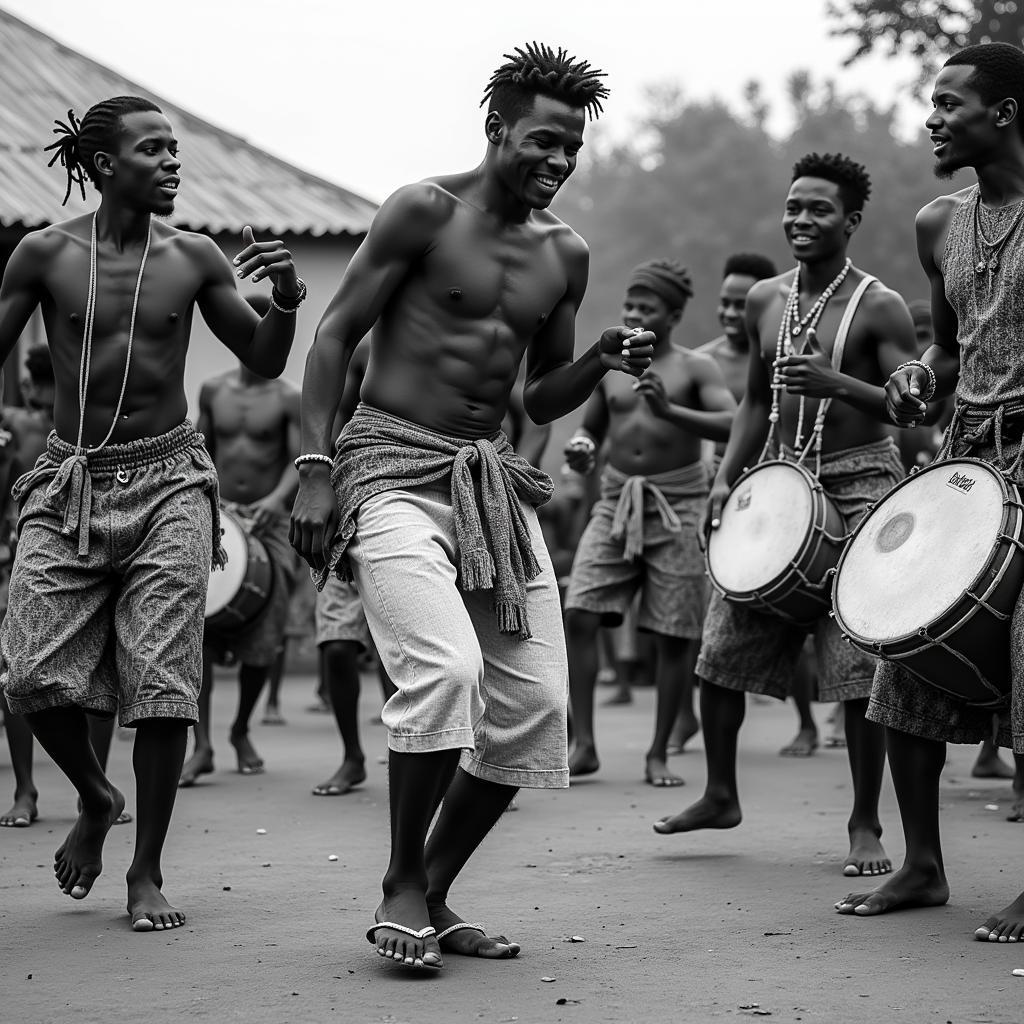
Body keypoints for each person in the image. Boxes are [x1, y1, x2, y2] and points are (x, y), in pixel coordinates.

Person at [290, 43, 655, 972]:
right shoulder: (424, 210)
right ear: (497, 129)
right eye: (542, 141)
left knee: (536, 702)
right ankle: (399, 886)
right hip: (387, 466)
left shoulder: (565, 252)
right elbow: (334, 334)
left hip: (485, 480)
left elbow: (538, 398)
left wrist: (602, 356)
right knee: (446, 672)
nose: (558, 162)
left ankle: (437, 887)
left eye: (571, 148)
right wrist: (316, 465)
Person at [0, 96, 301, 930]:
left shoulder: (196, 256)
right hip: (70, 481)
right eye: (153, 149)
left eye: (175, 149)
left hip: (171, 479)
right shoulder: (42, 254)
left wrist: (284, 297)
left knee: (166, 685)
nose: (172, 161)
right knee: (27, 669)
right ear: (104, 165)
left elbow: (265, 359)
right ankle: (97, 797)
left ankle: (146, 873)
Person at [654, 152, 919, 881]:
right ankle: (718, 793)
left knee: (857, 662)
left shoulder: (880, 304)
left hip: (861, 481)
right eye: (794, 207)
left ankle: (865, 823)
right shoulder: (769, 299)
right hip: (777, 479)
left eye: (819, 210)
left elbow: (911, 406)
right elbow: (752, 403)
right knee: (722, 645)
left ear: (851, 221)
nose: (801, 220)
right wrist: (726, 479)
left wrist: (837, 381)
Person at [838, 43, 1024, 941]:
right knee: (901, 641)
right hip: (965, 461)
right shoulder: (935, 224)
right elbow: (947, 348)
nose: (933, 118)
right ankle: (922, 866)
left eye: (951, 103)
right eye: (932, 103)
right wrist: (919, 374)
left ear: (1007, 113)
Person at [562, 258, 735, 785]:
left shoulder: (694, 368)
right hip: (616, 504)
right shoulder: (609, 367)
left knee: (674, 632)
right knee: (580, 612)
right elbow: (591, 427)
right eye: (630, 305)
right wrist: (583, 447)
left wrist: (671, 412)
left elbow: (733, 420)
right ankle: (583, 742)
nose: (635, 314)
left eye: (648, 307)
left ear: (674, 315)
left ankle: (659, 751)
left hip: (679, 506)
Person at [694, 253, 827, 760]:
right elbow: (744, 419)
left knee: (800, 617)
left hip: (796, 478)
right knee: (725, 624)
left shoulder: (796, 337)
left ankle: (807, 721)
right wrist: (721, 478)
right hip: (738, 483)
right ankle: (703, 743)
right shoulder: (703, 359)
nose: (731, 313)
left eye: (739, 302)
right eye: (725, 303)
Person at [0, 344, 129, 828]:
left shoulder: (96, 423)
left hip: (83, 543)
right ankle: (58, 790)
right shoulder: (18, 427)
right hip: (35, 550)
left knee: (29, 669)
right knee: (26, 668)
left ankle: (52, 793)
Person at [178, 295, 300, 786]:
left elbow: (301, 460)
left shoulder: (289, 397)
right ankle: (202, 744)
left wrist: (274, 502)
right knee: (198, 634)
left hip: (270, 527)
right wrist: (210, 507)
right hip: (219, 521)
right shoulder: (213, 391)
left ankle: (241, 730)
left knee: (264, 639)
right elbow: (198, 451)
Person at [311, 337, 397, 797]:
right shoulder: (365, 346)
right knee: (337, 645)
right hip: (352, 497)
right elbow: (333, 415)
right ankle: (353, 757)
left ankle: (414, 749)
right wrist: (318, 481)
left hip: (417, 499)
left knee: (399, 647)